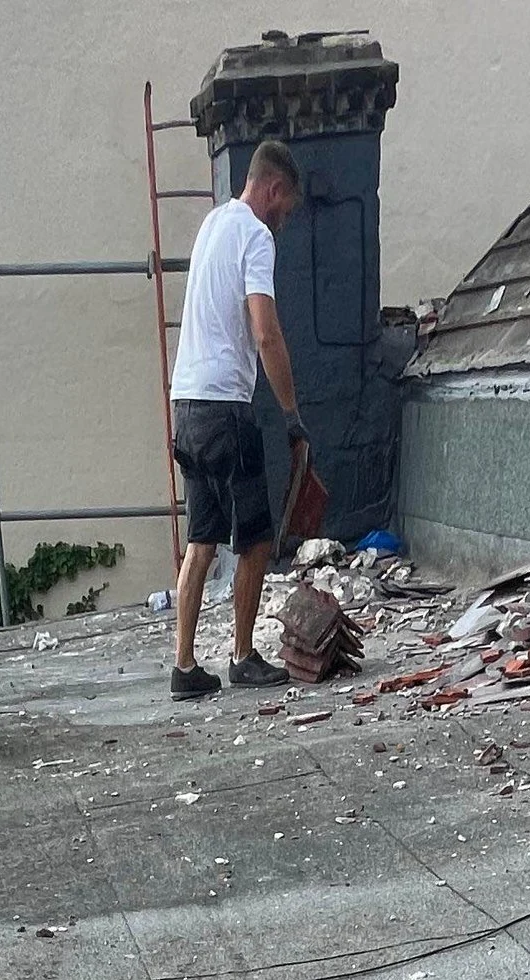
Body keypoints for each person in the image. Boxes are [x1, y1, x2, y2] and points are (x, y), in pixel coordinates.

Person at [165, 139, 312, 702]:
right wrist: (292, 416)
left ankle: (184, 667)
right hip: (227, 409)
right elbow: (265, 331)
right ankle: (243, 656)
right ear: (273, 190)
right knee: (253, 539)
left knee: (202, 540)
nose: (285, 220)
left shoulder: (212, 226)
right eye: (287, 207)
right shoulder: (255, 235)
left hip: (187, 407)